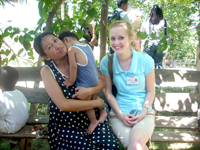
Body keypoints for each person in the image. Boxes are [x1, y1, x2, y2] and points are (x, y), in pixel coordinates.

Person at [33, 32, 119, 150]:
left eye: (55, 40)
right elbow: (63, 105)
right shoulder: (47, 71)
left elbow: (101, 82)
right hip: (66, 124)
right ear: (46, 57)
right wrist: (96, 103)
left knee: (110, 146)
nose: (56, 45)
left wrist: (89, 92)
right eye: (49, 47)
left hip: (90, 118)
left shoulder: (77, 56)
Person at [100, 20, 155, 150]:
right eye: (112, 38)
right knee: (136, 147)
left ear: (131, 39)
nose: (116, 42)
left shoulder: (145, 60)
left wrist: (143, 112)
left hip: (143, 113)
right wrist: (120, 115)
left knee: (135, 144)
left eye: (121, 38)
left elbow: (151, 91)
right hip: (119, 115)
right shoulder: (107, 62)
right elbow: (108, 93)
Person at [58, 31, 107, 135]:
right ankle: (102, 112)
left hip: (86, 83)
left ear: (66, 40)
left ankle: (93, 121)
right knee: (94, 98)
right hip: (95, 80)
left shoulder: (72, 49)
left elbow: (73, 66)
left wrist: (71, 81)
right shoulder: (87, 46)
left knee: (87, 105)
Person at [0, 66, 29, 134]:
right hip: (22, 123)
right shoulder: (19, 92)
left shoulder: (2, 98)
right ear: (16, 81)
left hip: (11, 127)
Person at [140, 4, 169, 69]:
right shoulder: (164, 21)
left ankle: (147, 78)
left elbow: (142, 32)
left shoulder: (146, 21)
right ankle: (159, 78)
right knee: (159, 64)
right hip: (160, 45)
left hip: (149, 44)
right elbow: (168, 34)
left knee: (147, 65)